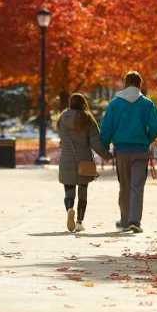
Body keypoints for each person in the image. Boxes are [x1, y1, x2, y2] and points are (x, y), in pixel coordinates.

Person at [100, 71, 157, 233]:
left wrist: (105, 146)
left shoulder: (115, 104)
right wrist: (147, 138)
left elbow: (107, 127)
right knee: (137, 186)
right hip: (140, 150)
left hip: (121, 150)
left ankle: (125, 219)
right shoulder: (147, 104)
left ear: (125, 84)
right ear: (139, 84)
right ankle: (135, 220)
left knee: (125, 185)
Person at [57, 93, 112, 233]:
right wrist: (107, 155)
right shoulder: (87, 119)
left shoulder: (62, 118)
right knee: (83, 192)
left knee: (69, 191)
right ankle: (79, 222)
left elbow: (62, 139)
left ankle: (70, 208)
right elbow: (95, 142)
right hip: (84, 161)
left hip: (66, 160)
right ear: (83, 104)